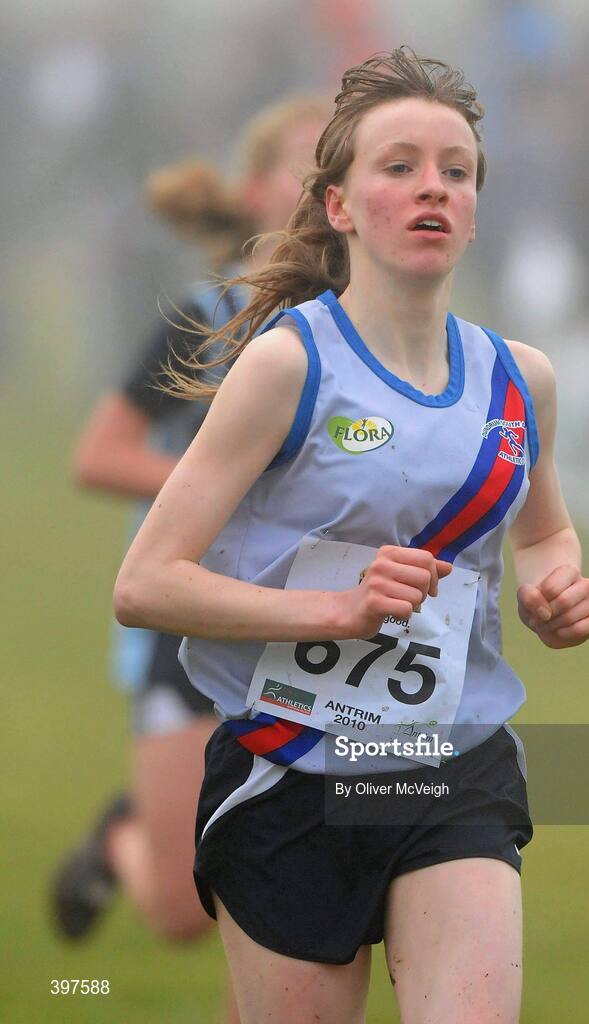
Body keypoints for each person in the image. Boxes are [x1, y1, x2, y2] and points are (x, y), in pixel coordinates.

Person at [114, 48, 589, 1024]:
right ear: (338, 204)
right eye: (399, 166)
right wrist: (329, 611)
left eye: (455, 170)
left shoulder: (521, 381)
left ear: (472, 204)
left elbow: (544, 535)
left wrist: (557, 585)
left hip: (449, 758)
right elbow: (145, 583)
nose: (432, 186)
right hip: (285, 768)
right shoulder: (287, 366)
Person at [51, 96, 328, 1023]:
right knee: (178, 911)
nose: (315, 184)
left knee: (273, 906)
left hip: (315, 641)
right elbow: (97, 455)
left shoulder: (372, 335)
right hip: (190, 618)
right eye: (300, 163)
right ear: (254, 192)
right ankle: (119, 838)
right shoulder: (203, 321)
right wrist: (214, 489)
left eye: (333, 165)